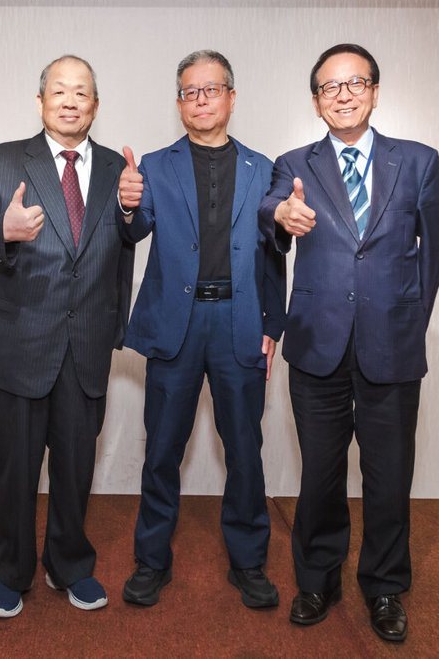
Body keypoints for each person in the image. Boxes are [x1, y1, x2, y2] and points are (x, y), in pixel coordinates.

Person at [259, 43, 439, 642]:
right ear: (316, 100)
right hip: (317, 343)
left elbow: (438, 245)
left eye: (355, 83)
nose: (343, 95)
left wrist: (410, 317)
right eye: (330, 86)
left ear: (374, 92)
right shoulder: (295, 163)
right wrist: (280, 217)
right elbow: (270, 211)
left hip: (391, 345)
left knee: (389, 476)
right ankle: (317, 580)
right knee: (319, 473)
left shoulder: (417, 161)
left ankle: (386, 587)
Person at [0, 55, 135, 619]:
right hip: (16, 345)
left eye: (82, 92)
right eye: (59, 90)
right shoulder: (3, 159)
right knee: (14, 470)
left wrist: (134, 211)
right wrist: (2, 231)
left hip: (86, 345)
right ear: (40, 101)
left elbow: (127, 242)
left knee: (76, 468)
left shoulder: (116, 168)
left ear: (95, 105)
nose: (70, 101)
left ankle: (70, 565)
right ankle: (13, 572)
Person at [115, 50, 286, 609]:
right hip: (177, 325)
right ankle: (151, 561)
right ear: (179, 103)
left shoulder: (264, 168)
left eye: (212, 89)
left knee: (245, 450)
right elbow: (134, 230)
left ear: (231, 98)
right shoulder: (155, 166)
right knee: (162, 449)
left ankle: (249, 562)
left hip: (240, 322)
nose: (201, 100)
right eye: (190, 91)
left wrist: (272, 323)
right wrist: (126, 205)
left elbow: (273, 251)